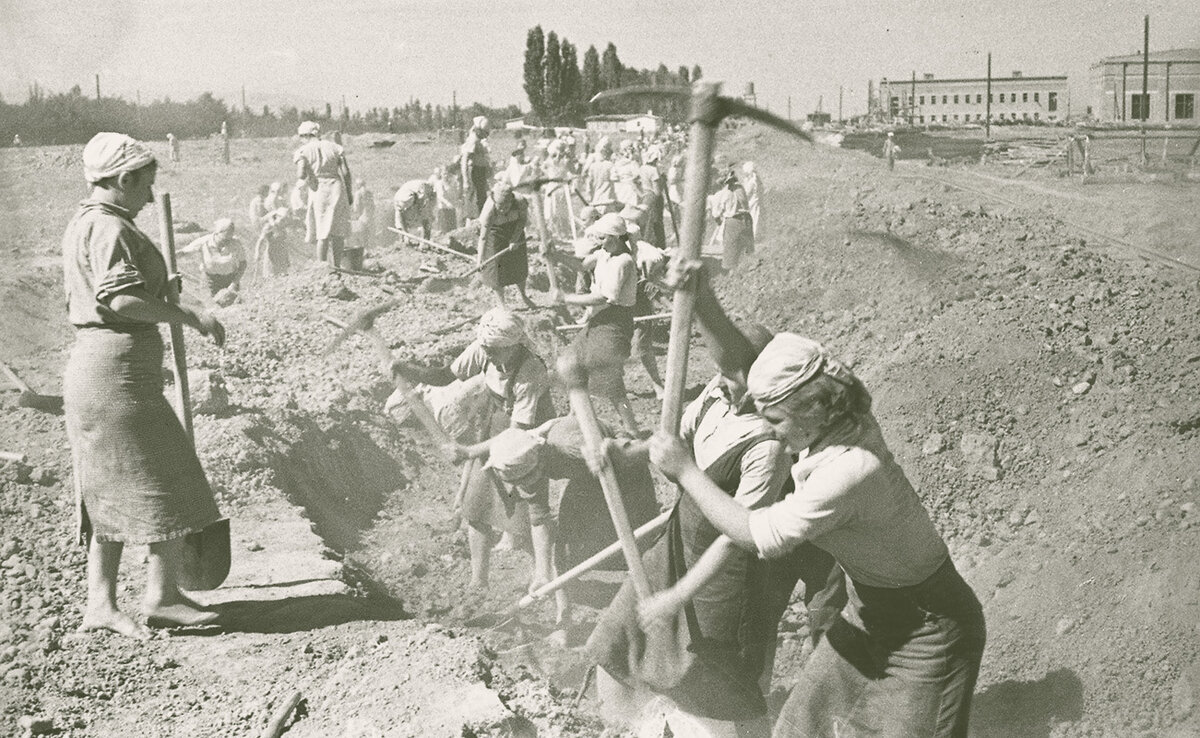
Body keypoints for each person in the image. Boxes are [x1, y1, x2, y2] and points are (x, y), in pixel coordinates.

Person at [646, 266, 986, 737]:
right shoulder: (829, 404)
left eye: (777, 421)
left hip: (931, 627)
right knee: (800, 727)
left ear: (811, 407)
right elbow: (744, 362)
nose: (770, 431)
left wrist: (684, 470)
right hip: (868, 610)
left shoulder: (850, 469)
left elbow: (757, 535)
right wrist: (702, 298)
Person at [61, 132, 226, 639]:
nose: (151, 197)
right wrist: (188, 314)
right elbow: (120, 302)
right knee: (169, 476)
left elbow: (121, 290)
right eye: (146, 185)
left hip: (106, 372)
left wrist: (158, 287)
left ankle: (103, 604)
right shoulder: (109, 227)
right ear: (123, 179)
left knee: (109, 487)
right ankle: (160, 597)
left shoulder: (88, 222)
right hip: (116, 377)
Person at [393, 308, 556, 591]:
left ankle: (544, 580)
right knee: (475, 505)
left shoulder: (531, 371)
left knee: (526, 513)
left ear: (512, 346)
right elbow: (445, 376)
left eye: (494, 351)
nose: (487, 355)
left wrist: (468, 451)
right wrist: (408, 370)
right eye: (486, 349)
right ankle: (477, 581)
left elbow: (517, 434)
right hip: (496, 422)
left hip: (527, 438)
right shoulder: (485, 347)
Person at [450, 416, 659, 631]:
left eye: (519, 483)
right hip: (586, 479)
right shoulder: (528, 458)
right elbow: (539, 519)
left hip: (626, 473)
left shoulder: (569, 444)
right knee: (564, 549)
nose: (518, 488)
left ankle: (655, 600)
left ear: (533, 470)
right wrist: (542, 574)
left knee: (642, 544)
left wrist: (618, 450)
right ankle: (564, 621)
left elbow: (641, 449)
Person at [549, 213, 642, 435]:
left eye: (603, 237)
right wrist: (556, 256)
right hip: (599, 320)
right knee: (573, 361)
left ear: (615, 237)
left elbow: (603, 297)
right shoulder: (603, 253)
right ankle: (576, 417)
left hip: (616, 322)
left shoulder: (624, 262)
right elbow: (581, 265)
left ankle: (633, 430)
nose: (599, 241)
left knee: (611, 383)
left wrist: (566, 298)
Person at [293, 120, 354, 267]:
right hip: (336, 186)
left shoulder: (303, 151)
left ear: (305, 135)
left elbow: (300, 174)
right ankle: (338, 266)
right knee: (338, 230)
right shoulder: (335, 147)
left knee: (322, 230)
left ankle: (322, 265)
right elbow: (345, 172)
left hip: (319, 188)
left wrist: (310, 176)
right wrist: (350, 193)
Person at [477, 180, 536, 309]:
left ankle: (523, 295)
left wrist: (514, 239)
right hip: (495, 232)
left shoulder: (520, 202)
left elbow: (522, 221)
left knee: (519, 265)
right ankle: (502, 304)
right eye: (500, 206)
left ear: (511, 201)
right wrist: (480, 259)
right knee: (496, 270)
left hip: (515, 228)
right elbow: (483, 238)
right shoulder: (489, 210)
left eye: (506, 206)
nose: (503, 209)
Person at [179, 218, 247, 299]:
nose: (227, 242)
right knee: (210, 307)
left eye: (229, 239)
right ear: (217, 233)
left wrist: (234, 283)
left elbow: (243, 263)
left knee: (232, 308)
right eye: (224, 239)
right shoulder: (204, 242)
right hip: (209, 282)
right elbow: (184, 252)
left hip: (230, 280)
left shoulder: (235, 243)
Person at [709, 170, 754, 272]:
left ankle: (732, 273)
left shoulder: (720, 194)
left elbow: (716, 214)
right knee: (747, 249)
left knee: (731, 251)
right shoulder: (740, 189)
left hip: (733, 222)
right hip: (747, 219)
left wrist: (719, 222)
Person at [460, 116, 493, 219]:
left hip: (480, 172)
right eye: (484, 133)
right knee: (475, 200)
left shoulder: (479, 140)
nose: (485, 136)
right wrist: (466, 180)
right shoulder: (473, 140)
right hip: (474, 172)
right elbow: (464, 160)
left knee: (481, 199)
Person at [253, 207, 292, 277]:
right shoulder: (269, 227)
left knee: (283, 274)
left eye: (286, 221)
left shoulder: (282, 227)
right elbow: (260, 241)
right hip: (272, 254)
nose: (284, 222)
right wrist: (257, 253)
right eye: (282, 220)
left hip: (282, 253)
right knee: (273, 275)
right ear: (277, 217)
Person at [583, 137, 619, 214]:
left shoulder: (593, 165)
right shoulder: (610, 165)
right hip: (607, 198)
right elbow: (615, 179)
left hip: (595, 198)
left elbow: (587, 179)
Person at [346, 179, 374, 271]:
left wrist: (355, 215)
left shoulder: (358, 193)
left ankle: (364, 256)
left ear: (358, 185)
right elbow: (373, 206)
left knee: (361, 238)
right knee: (368, 237)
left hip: (363, 217)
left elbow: (356, 207)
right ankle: (369, 253)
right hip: (371, 216)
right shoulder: (369, 192)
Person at [429, 166, 459, 234]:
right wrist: (448, 203)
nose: (446, 176)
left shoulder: (452, 183)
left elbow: (455, 194)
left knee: (453, 229)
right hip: (443, 209)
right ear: (441, 174)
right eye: (444, 174)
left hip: (452, 209)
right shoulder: (439, 183)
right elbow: (440, 196)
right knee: (444, 229)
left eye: (447, 174)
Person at [741, 162, 764, 241]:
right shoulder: (757, 179)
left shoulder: (752, 181)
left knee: (752, 219)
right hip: (755, 202)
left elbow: (746, 193)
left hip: (752, 203)